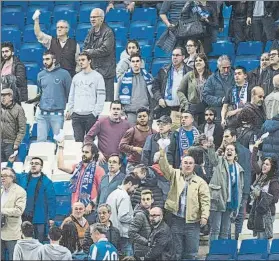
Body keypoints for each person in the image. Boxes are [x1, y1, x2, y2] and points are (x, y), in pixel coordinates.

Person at [158, 147, 210, 260]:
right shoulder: (175, 175)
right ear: (181, 164)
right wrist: (162, 154)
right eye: (185, 163)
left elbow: (205, 201)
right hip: (176, 220)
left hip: (193, 223)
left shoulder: (200, 182)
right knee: (176, 253)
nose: (188, 165)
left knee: (191, 253)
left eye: (190, 163)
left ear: (194, 165)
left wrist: (205, 216)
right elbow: (165, 168)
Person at [8, 156, 56, 243]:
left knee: (38, 244)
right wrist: (10, 162)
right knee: (24, 243)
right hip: (23, 217)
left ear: (41, 167)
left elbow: (51, 201)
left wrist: (51, 217)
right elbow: (9, 174)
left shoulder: (47, 182)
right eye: (32, 163)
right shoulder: (23, 178)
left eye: (36, 164)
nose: (33, 165)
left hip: (39, 219)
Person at [26, 51, 71, 142]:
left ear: (54, 60)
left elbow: (70, 93)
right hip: (42, 114)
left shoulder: (64, 74)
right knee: (40, 141)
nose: (45, 61)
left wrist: (69, 108)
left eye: (47, 59)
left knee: (59, 142)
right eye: (43, 59)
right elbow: (42, 92)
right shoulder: (40, 75)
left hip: (58, 113)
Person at [217, 128, 252, 240]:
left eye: (227, 136)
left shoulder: (232, 151)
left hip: (235, 187)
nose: (224, 139)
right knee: (238, 217)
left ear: (234, 137)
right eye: (223, 137)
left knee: (229, 215)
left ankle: (230, 242)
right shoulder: (246, 150)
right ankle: (236, 241)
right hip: (244, 187)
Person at [208, 142, 244, 244]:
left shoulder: (239, 169)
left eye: (231, 150)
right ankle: (213, 253)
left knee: (224, 232)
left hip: (230, 203)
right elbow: (212, 158)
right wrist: (211, 147)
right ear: (224, 153)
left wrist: (237, 205)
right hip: (218, 201)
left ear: (235, 154)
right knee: (215, 230)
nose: (229, 151)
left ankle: (222, 254)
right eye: (227, 149)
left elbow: (240, 189)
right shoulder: (219, 162)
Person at [66, 52, 106, 142]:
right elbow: (71, 95)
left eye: (83, 60)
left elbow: (101, 97)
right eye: (79, 60)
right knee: (77, 143)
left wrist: (95, 113)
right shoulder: (76, 77)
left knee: (89, 143)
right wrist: (71, 110)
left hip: (90, 115)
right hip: (76, 115)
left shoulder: (98, 77)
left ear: (89, 61)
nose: (81, 62)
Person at [84, 100, 130, 171]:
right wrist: (97, 152)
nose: (116, 111)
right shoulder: (101, 122)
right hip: (104, 161)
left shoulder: (126, 124)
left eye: (118, 109)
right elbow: (88, 138)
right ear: (110, 110)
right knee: (104, 181)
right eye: (114, 109)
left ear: (121, 111)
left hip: (120, 161)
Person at [57, 143, 105, 209]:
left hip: (90, 209)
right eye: (83, 152)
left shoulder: (99, 170)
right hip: (75, 207)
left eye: (86, 152)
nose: (84, 154)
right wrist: (60, 148)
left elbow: (103, 191)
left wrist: (92, 204)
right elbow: (61, 166)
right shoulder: (77, 167)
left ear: (93, 155)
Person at [248, 138, 279, 239]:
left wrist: (261, 194)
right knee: (259, 238)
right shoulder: (261, 175)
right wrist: (256, 146)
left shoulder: (274, 181)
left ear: (272, 167)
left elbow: (275, 199)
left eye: (267, 164)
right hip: (258, 211)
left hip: (268, 213)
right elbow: (253, 162)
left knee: (263, 239)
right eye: (264, 164)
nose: (264, 166)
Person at [84, 8, 116, 102]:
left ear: (102, 18)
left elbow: (105, 49)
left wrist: (90, 52)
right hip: (94, 71)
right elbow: (85, 46)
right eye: (91, 17)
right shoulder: (91, 31)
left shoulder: (108, 32)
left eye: (95, 17)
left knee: (106, 101)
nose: (92, 19)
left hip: (106, 73)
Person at [106, 175, 141, 257]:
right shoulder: (124, 196)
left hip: (113, 232)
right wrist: (135, 219)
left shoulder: (113, 193)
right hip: (123, 234)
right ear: (129, 183)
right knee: (127, 257)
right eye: (134, 188)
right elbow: (122, 217)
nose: (134, 191)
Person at [152, 47, 191, 119]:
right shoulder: (164, 70)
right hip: (165, 109)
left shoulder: (189, 72)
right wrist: (159, 98)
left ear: (183, 57)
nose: (174, 57)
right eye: (173, 55)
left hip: (181, 110)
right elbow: (155, 87)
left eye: (177, 55)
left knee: (177, 129)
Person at [117, 53, 154, 125]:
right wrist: (122, 113)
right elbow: (117, 97)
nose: (135, 63)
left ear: (141, 62)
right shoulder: (123, 78)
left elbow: (152, 97)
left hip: (145, 113)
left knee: (146, 136)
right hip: (130, 114)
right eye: (133, 61)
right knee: (130, 135)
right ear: (130, 63)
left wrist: (151, 113)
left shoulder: (148, 77)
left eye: (137, 61)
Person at [1, 167, 27, 261]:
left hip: (12, 232)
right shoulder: (1, 190)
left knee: (13, 258)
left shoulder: (20, 191)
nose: (2, 178)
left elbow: (19, 211)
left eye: (5, 176)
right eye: (1, 176)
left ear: (12, 178)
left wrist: (2, 210)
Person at [178, 53, 211, 125]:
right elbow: (180, 91)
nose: (198, 62)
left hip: (207, 108)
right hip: (192, 108)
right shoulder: (189, 75)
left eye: (200, 60)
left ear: (205, 62)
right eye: (196, 61)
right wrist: (186, 104)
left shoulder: (211, 76)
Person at [119, 107, 155, 173]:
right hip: (133, 165)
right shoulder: (132, 131)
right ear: (136, 118)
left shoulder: (154, 133)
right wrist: (135, 148)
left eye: (144, 116)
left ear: (149, 117)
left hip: (148, 166)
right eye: (139, 116)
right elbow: (121, 146)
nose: (142, 118)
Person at [202, 55, 235, 122]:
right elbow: (206, 96)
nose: (226, 70)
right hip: (217, 110)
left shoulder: (236, 76)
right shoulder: (212, 78)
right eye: (223, 68)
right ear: (218, 67)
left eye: (228, 67)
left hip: (234, 109)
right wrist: (220, 100)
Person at [1, 88, 26, 162]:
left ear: (11, 97)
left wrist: (17, 143)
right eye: (1, 95)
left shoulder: (18, 109)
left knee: (10, 166)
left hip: (11, 143)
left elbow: (22, 129)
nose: (2, 98)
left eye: (5, 95)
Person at [128, 190, 153, 260]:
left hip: (149, 250)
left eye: (148, 199)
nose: (145, 201)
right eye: (143, 199)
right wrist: (147, 242)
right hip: (141, 251)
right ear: (140, 201)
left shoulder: (151, 213)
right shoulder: (140, 215)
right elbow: (131, 232)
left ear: (152, 200)